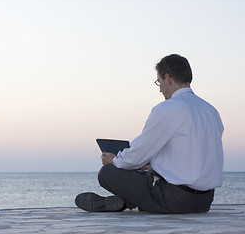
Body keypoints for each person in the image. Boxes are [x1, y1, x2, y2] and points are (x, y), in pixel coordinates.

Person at [75, 54, 224, 214]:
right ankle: (128, 200)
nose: (159, 88)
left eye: (159, 82)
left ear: (168, 78)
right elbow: (190, 154)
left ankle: (126, 201)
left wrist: (115, 159)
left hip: (174, 200)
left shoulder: (167, 109)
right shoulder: (211, 111)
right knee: (147, 171)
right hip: (204, 202)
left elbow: (138, 153)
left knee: (107, 173)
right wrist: (153, 163)